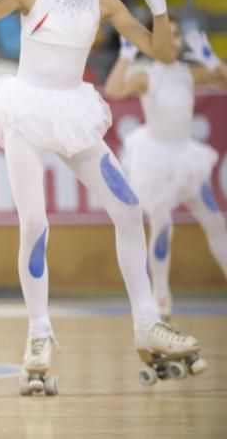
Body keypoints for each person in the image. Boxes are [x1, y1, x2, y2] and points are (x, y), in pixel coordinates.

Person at [0, 0, 205, 394]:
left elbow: (163, 53)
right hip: (25, 112)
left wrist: (159, 5)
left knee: (130, 208)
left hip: (73, 113)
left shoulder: (105, 3)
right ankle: (39, 334)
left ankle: (147, 322)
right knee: (34, 223)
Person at [104, 22, 227, 320]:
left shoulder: (188, 73)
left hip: (186, 158)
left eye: (176, 34)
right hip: (156, 161)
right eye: (165, 34)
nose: (171, 40)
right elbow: (113, 89)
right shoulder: (148, 75)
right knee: (162, 227)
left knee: (216, 223)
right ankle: (161, 298)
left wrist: (214, 62)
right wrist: (127, 56)